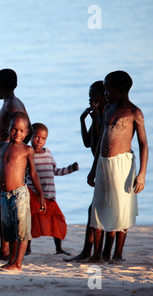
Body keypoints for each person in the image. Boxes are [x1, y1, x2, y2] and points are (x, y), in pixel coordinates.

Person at [87, 71, 148, 264]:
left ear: (121, 91)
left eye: (108, 90)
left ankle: (117, 254)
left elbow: (143, 144)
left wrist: (142, 175)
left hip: (123, 165)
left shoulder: (134, 113)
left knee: (122, 208)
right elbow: (100, 141)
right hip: (104, 164)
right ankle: (97, 255)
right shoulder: (108, 109)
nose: (105, 94)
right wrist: (93, 167)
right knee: (99, 206)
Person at [0, 112, 45, 271]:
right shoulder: (2, 147)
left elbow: (33, 174)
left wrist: (41, 196)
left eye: (21, 130)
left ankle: (18, 263)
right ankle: (11, 261)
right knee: (9, 230)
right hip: (4, 195)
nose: (17, 133)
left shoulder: (27, 150)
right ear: (7, 129)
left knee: (22, 231)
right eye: (13, 130)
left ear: (26, 132)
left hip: (19, 195)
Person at [0, 68, 33, 261]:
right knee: (1, 203)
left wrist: (16, 147)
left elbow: (27, 129)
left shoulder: (12, 105)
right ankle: (4, 248)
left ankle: (8, 250)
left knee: (7, 202)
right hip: (6, 153)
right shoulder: (14, 102)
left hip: (9, 157)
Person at [65, 81, 106, 262]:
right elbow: (88, 142)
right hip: (98, 166)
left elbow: (100, 143)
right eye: (89, 96)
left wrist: (95, 119)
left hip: (103, 166)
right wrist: (83, 120)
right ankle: (88, 252)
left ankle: (91, 252)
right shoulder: (97, 115)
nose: (91, 100)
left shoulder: (106, 115)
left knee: (95, 210)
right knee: (94, 211)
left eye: (94, 96)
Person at [26, 123, 79, 255]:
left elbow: (55, 171)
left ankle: (59, 248)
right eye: (36, 137)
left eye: (43, 138)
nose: (39, 141)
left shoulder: (48, 152)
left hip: (49, 195)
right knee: (30, 220)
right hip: (34, 194)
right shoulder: (27, 153)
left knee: (57, 219)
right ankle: (27, 249)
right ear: (30, 136)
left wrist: (70, 169)